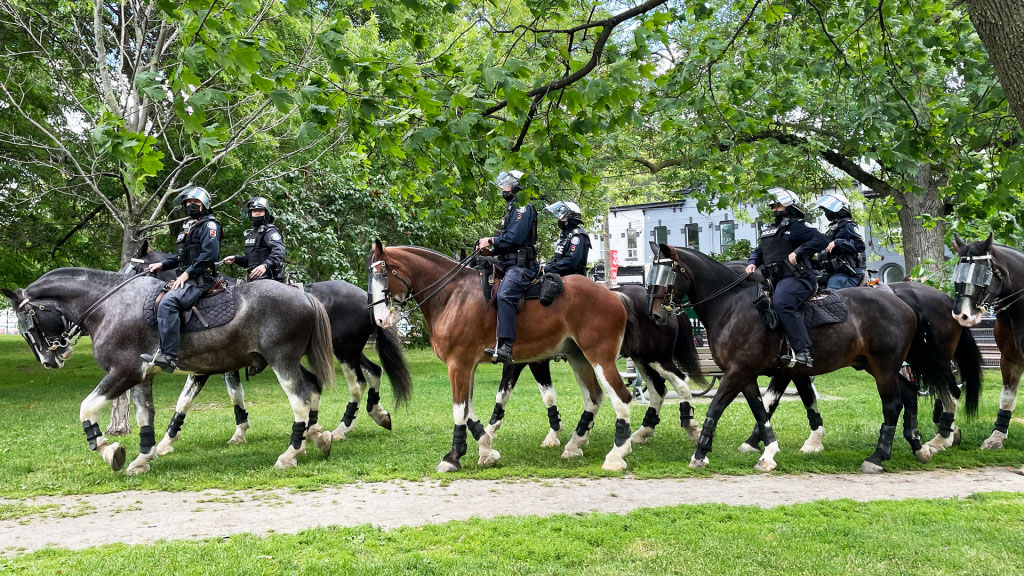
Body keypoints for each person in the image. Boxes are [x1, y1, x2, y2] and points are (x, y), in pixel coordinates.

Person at [745, 188, 828, 368]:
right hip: (773, 280)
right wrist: (752, 262)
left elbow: (822, 240)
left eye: (779, 205)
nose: (775, 209)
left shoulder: (799, 226)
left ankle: (803, 351)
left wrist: (799, 252)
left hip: (798, 278)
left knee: (782, 303)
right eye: (773, 206)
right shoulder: (770, 230)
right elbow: (760, 251)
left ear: (790, 206)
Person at [142, 186, 222, 372]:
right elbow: (181, 259)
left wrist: (187, 274)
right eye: (188, 203)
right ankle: (160, 349)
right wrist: (162, 265)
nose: (190, 206)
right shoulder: (189, 227)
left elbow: (210, 254)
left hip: (202, 278)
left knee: (168, 303)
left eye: (195, 203)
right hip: (189, 278)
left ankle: (169, 357)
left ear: (205, 205)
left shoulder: (209, 225)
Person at [478, 170, 538, 364]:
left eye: (506, 184)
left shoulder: (522, 208)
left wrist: (491, 240)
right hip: (507, 263)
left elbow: (515, 238)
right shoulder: (512, 208)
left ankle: (506, 345)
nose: (503, 188)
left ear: (517, 186)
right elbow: (507, 242)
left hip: (520, 266)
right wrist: (490, 250)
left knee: (505, 295)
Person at [222, 196, 286, 282]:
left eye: (260, 210)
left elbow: (279, 250)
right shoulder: (252, 234)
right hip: (254, 279)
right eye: (254, 211)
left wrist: (265, 265)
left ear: (266, 212)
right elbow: (251, 260)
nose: (257, 213)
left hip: (270, 279)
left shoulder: (269, 231)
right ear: (250, 214)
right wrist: (236, 259)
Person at [816, 192, 866, 289]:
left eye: (828, 210)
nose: (826, 212)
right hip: (831, 273)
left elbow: (860, 245)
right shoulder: (832, 229)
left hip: (847, 274)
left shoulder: (848, 225)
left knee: (831, 296)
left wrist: (838, 242)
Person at [543, 200, 591, 276]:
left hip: (573, 277)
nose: (559, 220)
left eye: (561, 218)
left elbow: (572, 261)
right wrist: (547, 266)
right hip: (561, 274)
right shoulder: (565, 235)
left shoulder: (577, 235)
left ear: (569, 218)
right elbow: (557, 257)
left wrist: (551, 268)